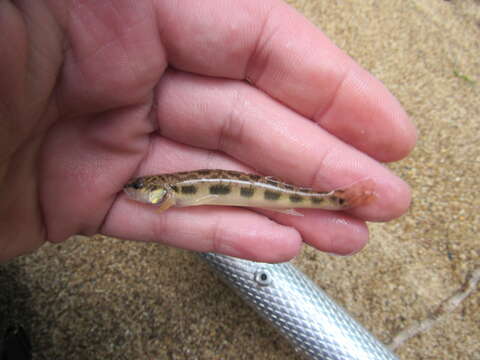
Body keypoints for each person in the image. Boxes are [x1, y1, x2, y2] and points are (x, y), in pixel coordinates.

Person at [0, 0, 416, 263]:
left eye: (141, 187)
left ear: (160, 189)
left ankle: (335, 200)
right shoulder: (168, 195)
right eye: (139, 187)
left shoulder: (170, 195)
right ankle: (333, 201)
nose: (136, 191)